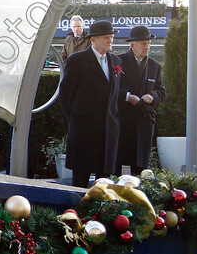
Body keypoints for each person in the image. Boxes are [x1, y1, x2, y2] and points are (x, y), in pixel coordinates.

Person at [59, 20, 122, 187]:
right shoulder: (77, 60)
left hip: (108, 133)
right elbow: (65, 94)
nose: (110, 41)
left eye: (111, 37)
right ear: (93, 40)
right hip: (84, 133)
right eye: (106, 38)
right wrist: (77, 118)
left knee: (105, 186)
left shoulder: (116, 61)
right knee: (80, 183)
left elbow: (114, 96)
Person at [115, 26, 166, 176]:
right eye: (143, 43)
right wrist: (127, 96)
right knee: (118, 161)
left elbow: (161, 91)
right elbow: (111, 88)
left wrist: (152, 96)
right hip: (123, 120)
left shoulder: (154, 66)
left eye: (149, 43)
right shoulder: (118, 61)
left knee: (140, 164)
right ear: (132, 45)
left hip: (144, 121)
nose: (147, 47)